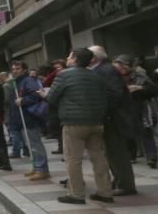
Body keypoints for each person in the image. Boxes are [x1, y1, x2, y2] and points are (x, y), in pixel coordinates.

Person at [47, 48, 114, 205]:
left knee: (73, 159)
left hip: (73, 122)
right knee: (99, 157)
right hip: (96, 122)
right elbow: (105, 98)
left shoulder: (63, 75)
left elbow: (51, 98)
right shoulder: (96, 76)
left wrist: (45, 94)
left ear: (75, 59)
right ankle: (105, 192)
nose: (67, 58)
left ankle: (76, 194)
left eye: (69, 56)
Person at [90, 46, 137, 196]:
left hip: (114, 117)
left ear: (94, 58)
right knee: (111, 152)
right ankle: (119, 180)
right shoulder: (102, 69)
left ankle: (125, 184)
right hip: (111, 116)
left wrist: (103, 112)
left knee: (117, 152)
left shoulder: (106, 70)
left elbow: (113, 94)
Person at [114, 54, 158, 168]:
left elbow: (154, 90)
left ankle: (152, 157)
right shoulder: (113, 76)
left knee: (146, 131)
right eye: (119, 66)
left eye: (123, 66)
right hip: (123, 107)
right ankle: (131, 155)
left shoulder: (140, 75)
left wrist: (140, 88)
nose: (121, 69)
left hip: (140, 105)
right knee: (127, 132)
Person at [11, 60, 50, 180]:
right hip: (23, 117)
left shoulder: (28, 80)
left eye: (17, 68)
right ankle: (36, 166)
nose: (15, 71)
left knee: (35, 144)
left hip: (30, 117)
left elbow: (36, 95)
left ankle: (42, 169)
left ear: (24, 69)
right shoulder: (18, 81)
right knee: (30, 144)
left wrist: (23, 101)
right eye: (13, 69)